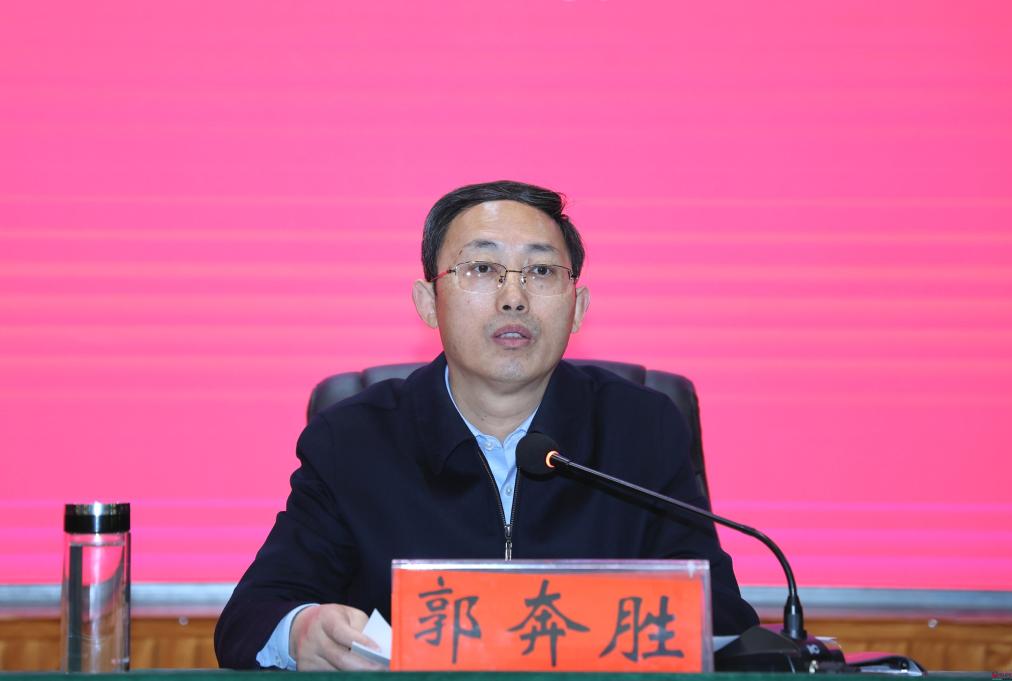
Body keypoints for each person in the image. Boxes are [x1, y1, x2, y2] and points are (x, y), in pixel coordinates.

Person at [214, 180, 759, 670]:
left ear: (578, 306)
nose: (514, 298)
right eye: (481, 269)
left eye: (541, 271)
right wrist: (303, 632)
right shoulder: (353, 441)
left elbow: (723, 621)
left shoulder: (642, 429)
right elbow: (250, 620)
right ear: (428, 302)